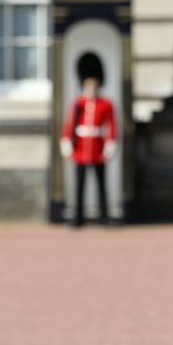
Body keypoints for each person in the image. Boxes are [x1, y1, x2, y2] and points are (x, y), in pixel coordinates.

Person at [60, 52, 117, 227]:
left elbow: (111, 125)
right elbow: (71, 124)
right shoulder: (79, 103)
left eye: (93, 84)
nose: (91, 87)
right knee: (80, 185)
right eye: (88, 84)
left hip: (97, 148)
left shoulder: (105, 104)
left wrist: (110, 144)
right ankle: (78, 217)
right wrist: (66, 140)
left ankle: (104, 216)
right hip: (81, 149)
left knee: (101, 185)